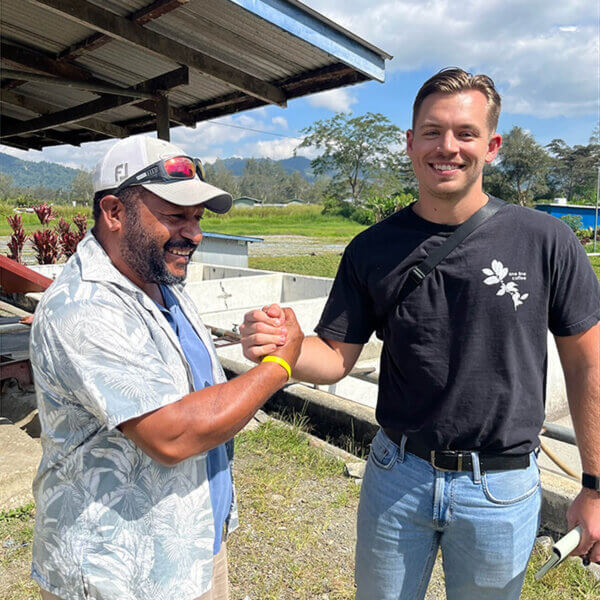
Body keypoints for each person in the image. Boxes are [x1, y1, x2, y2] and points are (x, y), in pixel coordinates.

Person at [240, 68, 600, 599]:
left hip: (500, 487)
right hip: (397, 473)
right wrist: (287, 348)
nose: (447, 147)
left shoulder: (546, 240)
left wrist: (593, 486)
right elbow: (336, 357)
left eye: (465, 133)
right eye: (432, 132)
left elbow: (587, 364)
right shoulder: (371, 248)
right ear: (410, 143)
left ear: (492, 145)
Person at [29, 135, 303, 600]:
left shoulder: (158, 280)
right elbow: (172, 433)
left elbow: (189, 383)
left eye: (196, 218)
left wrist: (251, 340)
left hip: (189, 547)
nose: (194, 233)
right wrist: (278, 366)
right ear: (114, 212)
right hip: (120, 574)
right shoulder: (84, 307)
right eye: (175, 215)